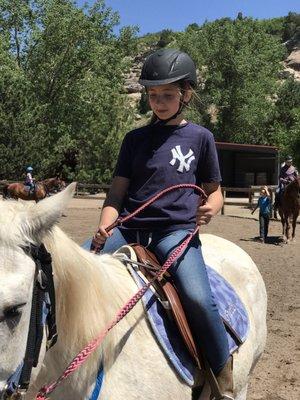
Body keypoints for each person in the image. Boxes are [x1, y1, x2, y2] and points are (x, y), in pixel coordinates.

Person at [90, 48, 233, 399]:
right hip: (130, 227)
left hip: (175, 232)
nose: (159, 102)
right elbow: (116, 195)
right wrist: (105, 226)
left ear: (186, 94)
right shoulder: (134, 139)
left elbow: (215, 192)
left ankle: (222, 377)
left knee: (199, 298)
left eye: (168, 95)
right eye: (153, 95)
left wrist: (211, 208)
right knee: (73, 270)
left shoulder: (200, 137)